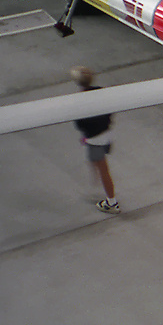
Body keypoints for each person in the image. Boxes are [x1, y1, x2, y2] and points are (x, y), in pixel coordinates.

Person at [70, 66, 119, 214]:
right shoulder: (100, 91)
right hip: (106, 133)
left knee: (103, 170)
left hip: (95, 139)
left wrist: (86, 137)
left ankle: (111, 203)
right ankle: (96, 184)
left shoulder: (79, 101)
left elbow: (80, 123)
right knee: (96, 164)